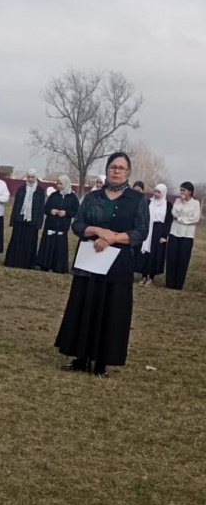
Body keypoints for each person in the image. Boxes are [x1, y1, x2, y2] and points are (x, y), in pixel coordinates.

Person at [55, 151, 149, 378]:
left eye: (121, 168)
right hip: (90, 260)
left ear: (128, 172)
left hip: (118, 263)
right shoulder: (93, 197)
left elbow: (141, 232)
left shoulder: (137, 200)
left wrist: (111, 238)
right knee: (85, 304)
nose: (116, 171)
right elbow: (77, 225)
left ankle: (101, 362)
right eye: (113, 167)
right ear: (107, 169)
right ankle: (80, 357)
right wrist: (98, 230)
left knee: (111, 309)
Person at [36, 175, 79, 274]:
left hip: (62, 227)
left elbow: (76, 211)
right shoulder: (54, 195)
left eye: (61, 184)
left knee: (59, 247)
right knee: (48, 245)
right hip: (51, 225)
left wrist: (66, 213)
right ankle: (45, 264)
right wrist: (52, 211)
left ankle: (58, 266)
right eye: (58, 183)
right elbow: (45, 208)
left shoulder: (72, 198)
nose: (58, 186)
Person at [4, 170, 45, 269]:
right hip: (20, 220)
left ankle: (27, 263)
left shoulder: (40, 191)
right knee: (17, 240)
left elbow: (41, 208)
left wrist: (39, 222)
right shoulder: (21, 189)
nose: (30, 179)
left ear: (35, 178)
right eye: (29, 177)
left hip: (32, 221)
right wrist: (13, 220)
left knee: (30, 242)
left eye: (32, 177)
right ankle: (14, 261)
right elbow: (16, 205)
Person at [165, 182, 201, 291]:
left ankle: (178, 284)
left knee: (183, 260)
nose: (181, 192)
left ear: (190, 191)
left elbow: (195, 218)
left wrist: (181, 220)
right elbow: (174, 213)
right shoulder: (177, 201)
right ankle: (169, 283)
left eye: (183, 190)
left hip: (187, 235)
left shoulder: (195, 203)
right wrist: (182, 203)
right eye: (181, 190)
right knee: (171, 258)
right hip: (174, 233)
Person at [138, 184, 172, 286]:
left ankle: (151, 277)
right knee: (145, 253)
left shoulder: (168, 205)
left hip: (159, 231)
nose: (156, 194)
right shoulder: (149, 202)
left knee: (155, 253)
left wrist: (164, 235)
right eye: (155, 191)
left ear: (163, 193)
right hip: (148, 229)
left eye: (159, 192)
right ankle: (144, 276)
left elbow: (168, 221)